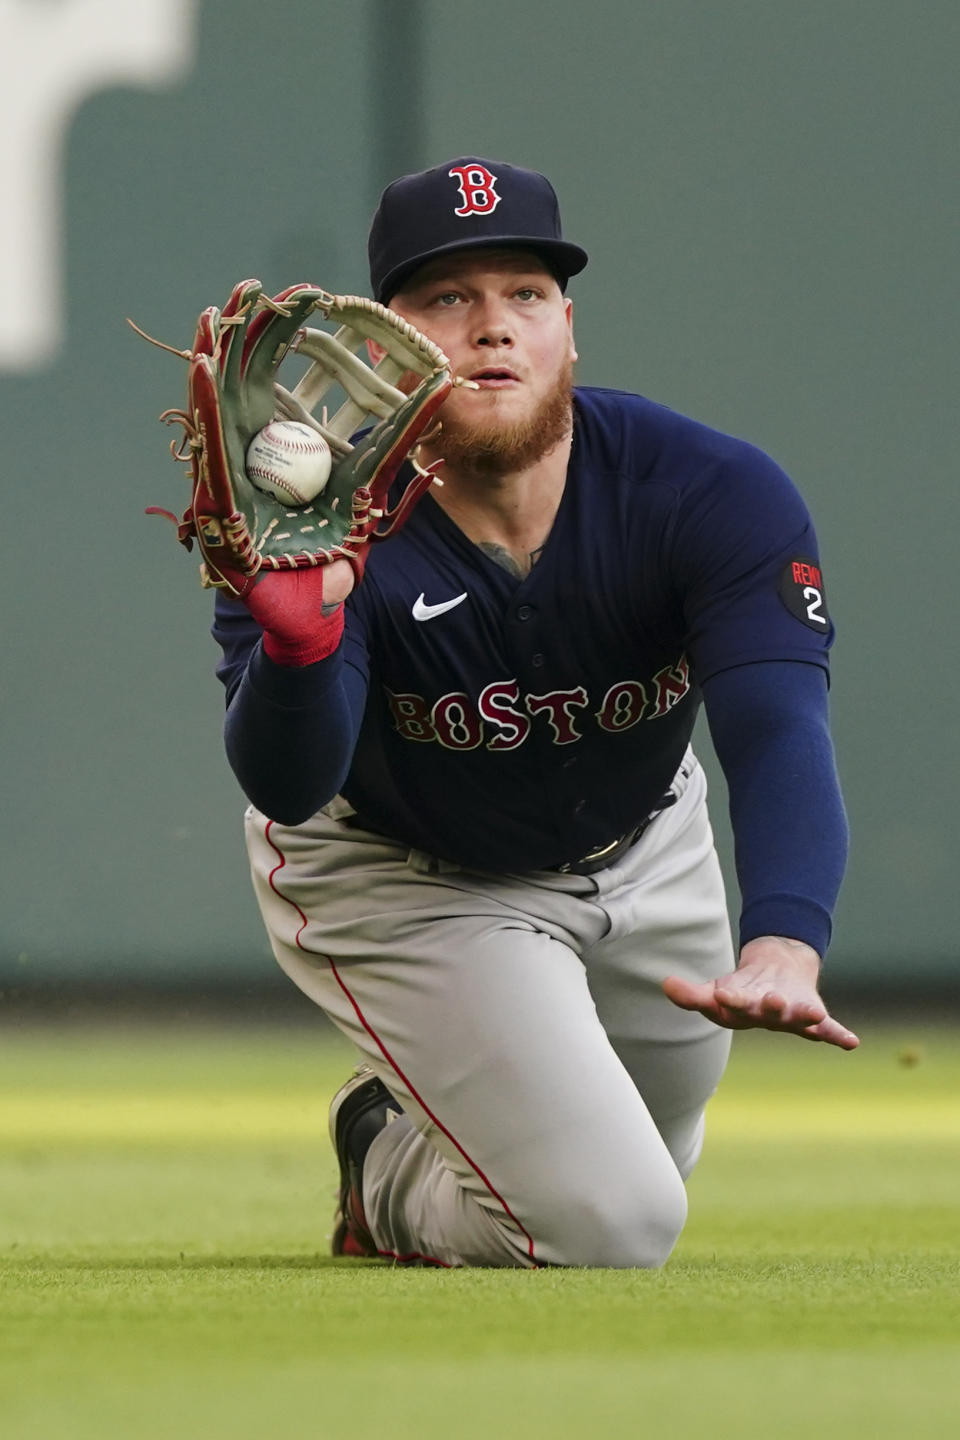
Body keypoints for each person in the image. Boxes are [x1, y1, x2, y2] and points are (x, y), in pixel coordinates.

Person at [212, 157, 856, 1269]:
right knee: (613, 1219)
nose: (492, 329)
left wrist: (787, 943)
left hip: (649, 846)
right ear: (387, 347)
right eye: (446, 300)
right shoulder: (319, 525)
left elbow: (778, 727)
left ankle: (451, 1130)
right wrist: (299, 646)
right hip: (406, 875)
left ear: (570, 328)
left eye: (526, 294)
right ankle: (382, 1162)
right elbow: (289, 780)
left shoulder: (708, 491)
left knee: (655, 1153)